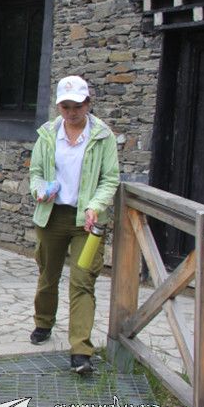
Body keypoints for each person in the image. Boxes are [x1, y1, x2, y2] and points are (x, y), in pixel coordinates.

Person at [28, 75, 120, 375]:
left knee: (82, 280)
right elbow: (35, 173)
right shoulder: (47, 134)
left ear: (88, 104)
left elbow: (110, 179)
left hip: (87, 221)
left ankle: (81, 350)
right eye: (65, 106)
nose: (71, 112)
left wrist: (96, 205)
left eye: (77, 106)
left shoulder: (102, 136)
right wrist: (40, 189)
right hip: (52, 216)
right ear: (58, 106)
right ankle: (43, 322)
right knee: (48, 275)